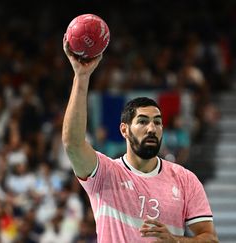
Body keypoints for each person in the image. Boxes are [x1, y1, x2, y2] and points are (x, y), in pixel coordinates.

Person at [61, 40, 218, 242]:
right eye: (143, 121)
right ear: (124, 130)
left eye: (157, 122)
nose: (152, 128)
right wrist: (81, 76)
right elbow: (72, 143)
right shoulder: (105, 174)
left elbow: (211, 239)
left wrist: (177, 240)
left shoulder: (185, 179)